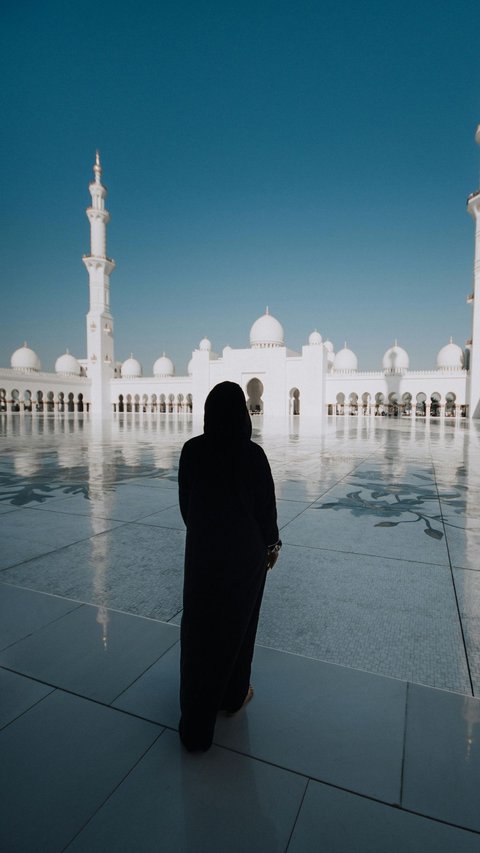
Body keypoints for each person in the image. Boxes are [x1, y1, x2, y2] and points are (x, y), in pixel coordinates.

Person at [178, 381, 281, 751]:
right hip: (244, 557)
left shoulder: (192, 451)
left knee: (199, 629)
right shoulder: (253, 456)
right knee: (238, 625)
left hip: (203, 553)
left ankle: (194, 726)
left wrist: (206, 534)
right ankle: (234, 696)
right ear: (241, 413)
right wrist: (272, 545)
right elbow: (265, 513)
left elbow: (186, 504)